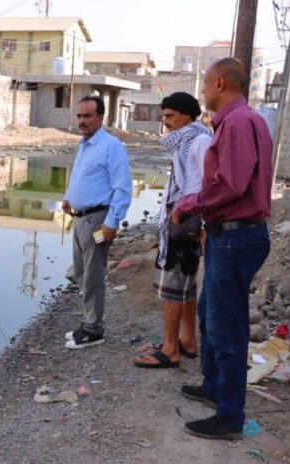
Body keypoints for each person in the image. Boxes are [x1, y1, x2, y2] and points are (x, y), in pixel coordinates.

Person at [172, 57, 273, 440]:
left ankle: (230, 416)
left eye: (203, 83)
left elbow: (229, 185)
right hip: (228, 234)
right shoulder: (243, 121)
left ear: (218, 83)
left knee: (226, 325)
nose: (201, 92)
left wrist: (187, 204)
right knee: (210, 313)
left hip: (235, 235)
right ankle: (214, 388)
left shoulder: (239, 122)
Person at [134, 92, 211, 369]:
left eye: (170, 116)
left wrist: (202, 224)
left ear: (188, 115)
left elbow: (208, 184)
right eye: (164, 115)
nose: (165, 122)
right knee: (186, 287)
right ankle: (187, 340)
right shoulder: (185, 141)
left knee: (172, 288)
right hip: (181, 223)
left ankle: (170, 349)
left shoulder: (199, 141)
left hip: (186, 224)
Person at [62, 95, 132, 350]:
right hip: (80, 220)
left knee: (93, 274)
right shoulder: (85, 144)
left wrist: (112, 223)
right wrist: (69, 197)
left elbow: (122, 188)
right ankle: (88, 320)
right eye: (79, 116)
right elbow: (81, 176)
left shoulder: (112, 146)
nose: (82, 121)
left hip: (99, 222)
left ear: (100, 118)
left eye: (88, 115)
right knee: (81, 272)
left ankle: (94, 330)